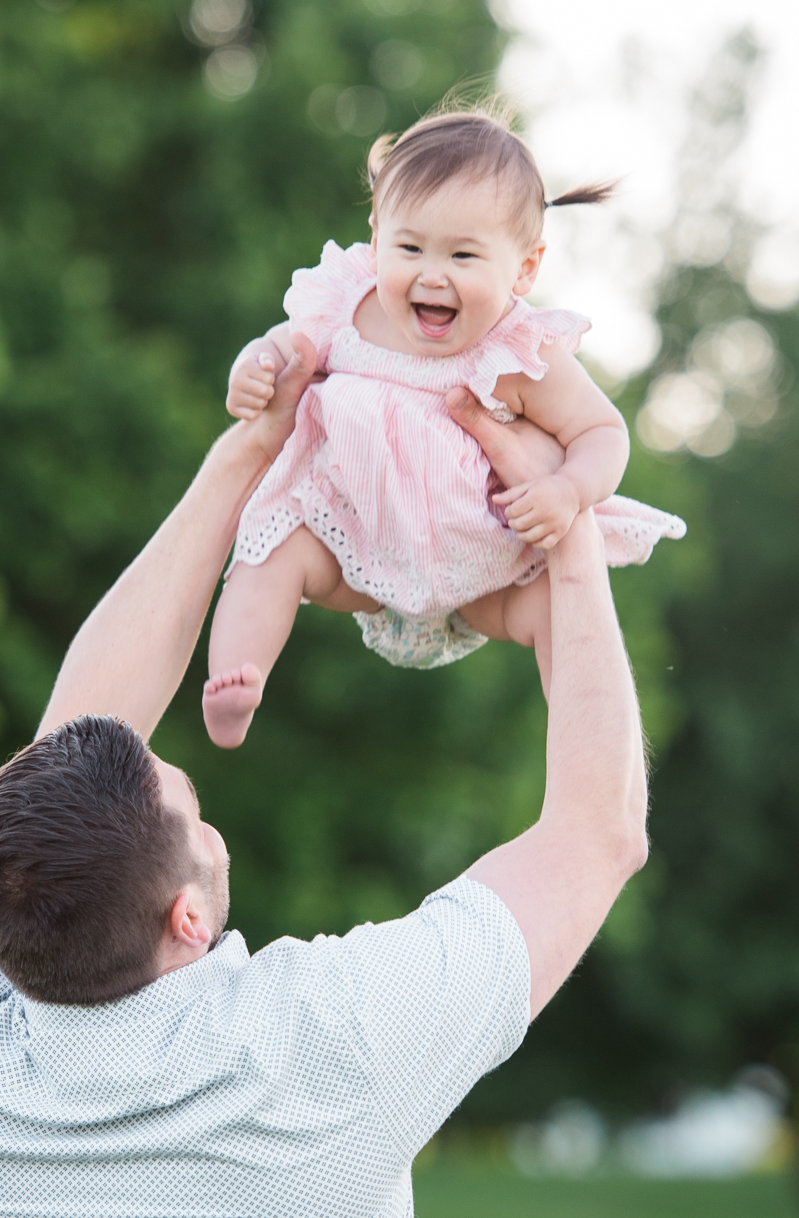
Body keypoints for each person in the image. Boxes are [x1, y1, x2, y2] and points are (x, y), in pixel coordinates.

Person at [0, 335, 651, 1218]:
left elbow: (56, 771)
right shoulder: (319, 1050)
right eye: (193, 808)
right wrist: (569, 532)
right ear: (186, 914)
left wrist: (256, 443)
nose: (208, 818)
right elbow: (597, 831)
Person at [201, 104, 686, 747]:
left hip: (484, 570)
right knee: (269, 548)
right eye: (409, 247)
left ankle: (583, 734)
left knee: (557, 608)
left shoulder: (518, 354)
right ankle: (237, 681)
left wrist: (568, 490)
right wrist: (253, 366)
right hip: (351, 544)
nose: (432, 274)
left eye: (463, 255)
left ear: (525, 269)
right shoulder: (347, 308)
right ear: (375, 239)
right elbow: (277, 345)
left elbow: (604, 432)